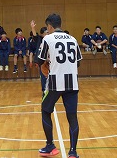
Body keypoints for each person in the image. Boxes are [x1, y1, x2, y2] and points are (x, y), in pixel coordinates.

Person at [37, 13, 82, 158]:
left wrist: (48, 63)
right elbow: (78, 62)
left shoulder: (48, 39)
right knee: (72, 117)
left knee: (45, 111)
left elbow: (39, 60)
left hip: (55, 82)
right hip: (72, 83)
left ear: (49, 26)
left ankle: (50, 146)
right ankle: (73, 152)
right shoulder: (73, 39)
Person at [30, 20, 48, 93]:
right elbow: (34, 35)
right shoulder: (39, 39)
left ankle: (51, 89)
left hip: (49, 60)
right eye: (46, 33)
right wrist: (33, 27)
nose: (48, 34)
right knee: (43, 76)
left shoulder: (51, 39)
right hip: (41, 60)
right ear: (42, 34)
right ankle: (44, 90)